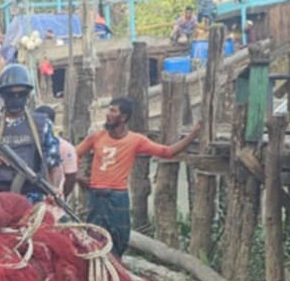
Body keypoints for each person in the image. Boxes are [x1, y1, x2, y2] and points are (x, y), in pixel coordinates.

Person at [76, 97, 202, 258]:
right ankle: (95, 268)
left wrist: (193, 135)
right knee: (94, 237)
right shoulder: (96, 137)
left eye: (113, 111)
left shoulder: (136, 140)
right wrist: (78, 177)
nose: (108, 114)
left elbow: (167, 152)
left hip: (118, 195)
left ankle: (115, 266)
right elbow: (73, 154)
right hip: (97, 195)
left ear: (123, 117)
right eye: (109, 110)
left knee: (120, 236)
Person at [0, 63, 60, 200]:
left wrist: (55, 191)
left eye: (21, 94)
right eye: (10, 94)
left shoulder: (42, 125)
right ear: (2, 95)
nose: (16, 98)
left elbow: (55, 165)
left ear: (28, 95)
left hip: (32, 200)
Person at [34, 105, 75, 197]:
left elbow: (71, 175)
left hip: (53, 195)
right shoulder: (31, 145)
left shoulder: (64, 147)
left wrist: (62, 193)